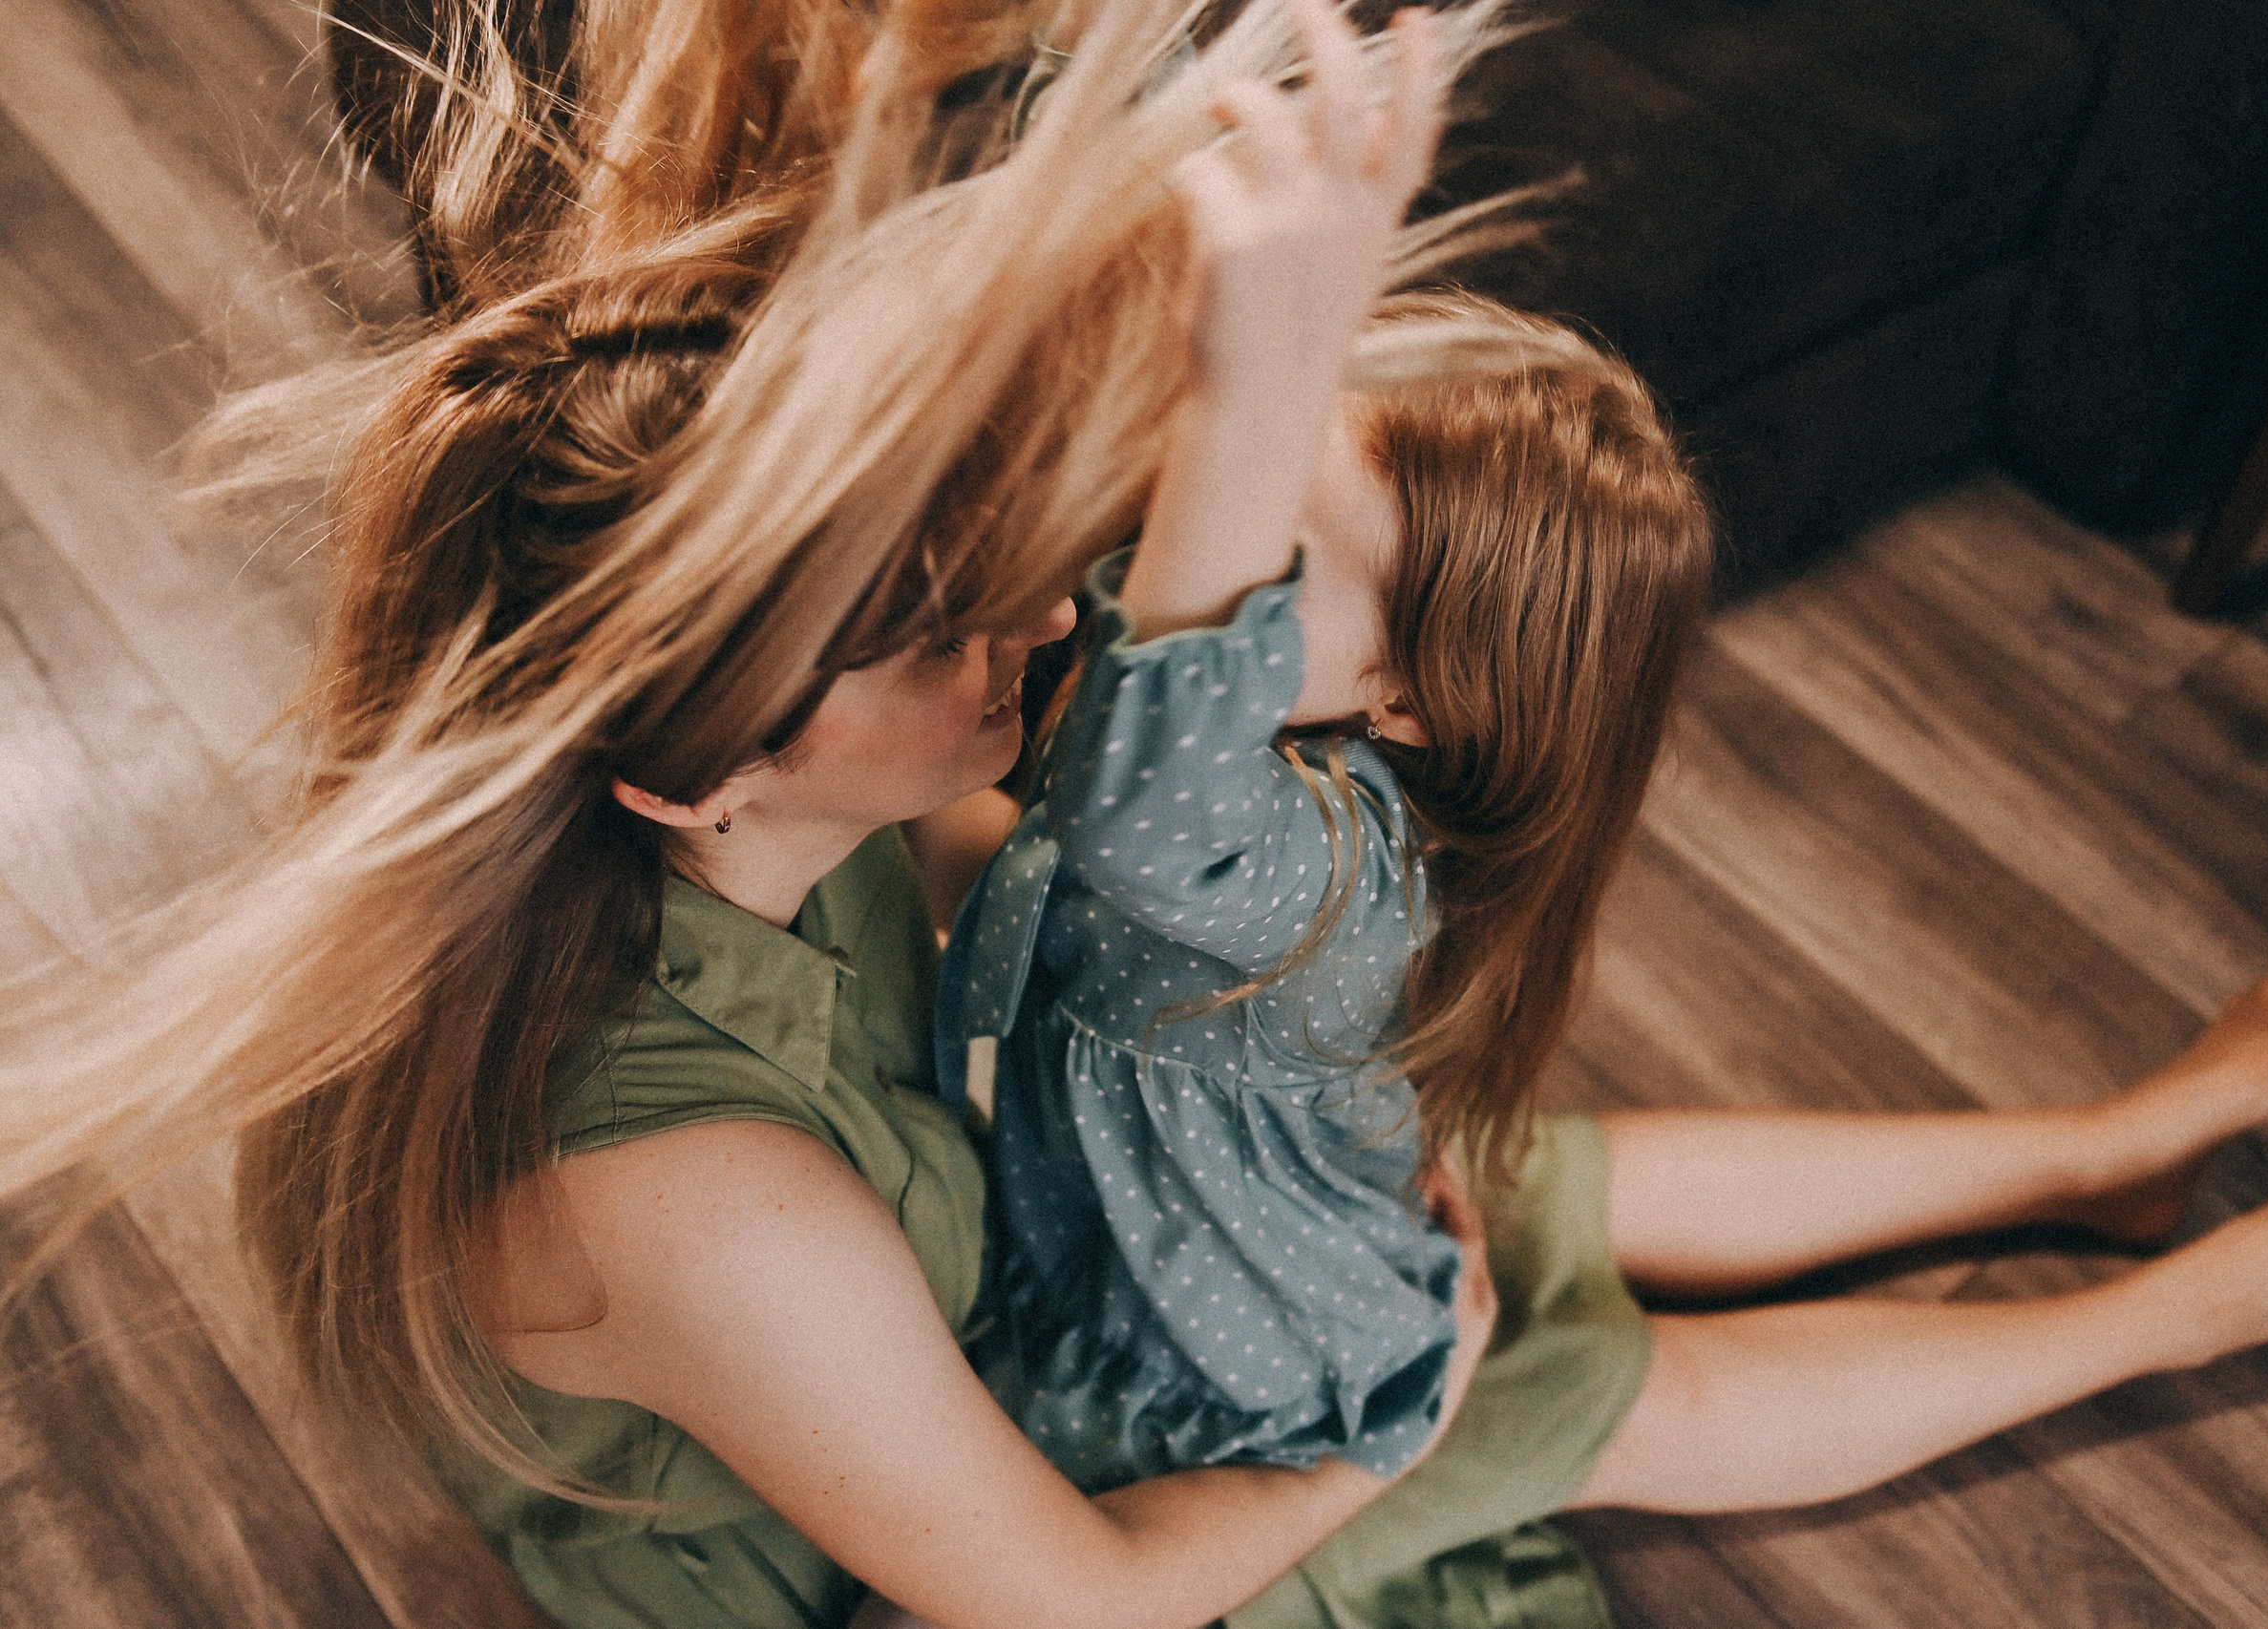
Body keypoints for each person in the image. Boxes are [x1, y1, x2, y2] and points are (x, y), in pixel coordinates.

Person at [0, 4, 1537, 1627]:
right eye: (936, 633)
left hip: (966, 1330)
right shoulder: (699, 1204)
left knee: (1488, 1185)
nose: (1039, 619)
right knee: (1562, 1375)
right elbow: (1078, 1595)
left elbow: (1018, 880)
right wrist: (1392, 1432)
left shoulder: (734, 808)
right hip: (883, 1577)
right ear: (702, 779)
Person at [943, 2, 2268, 1621]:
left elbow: (1140, 770)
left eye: (1277, 542)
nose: (1206, 515)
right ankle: (2106, 1149)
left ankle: (2197, 1302)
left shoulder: (1267, 849)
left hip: (1258, 1401)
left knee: (1648, 1398)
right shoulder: (1324, 754)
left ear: (1411, 700)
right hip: (1298, 1209)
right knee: (1563, 1176)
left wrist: (1268, 365)